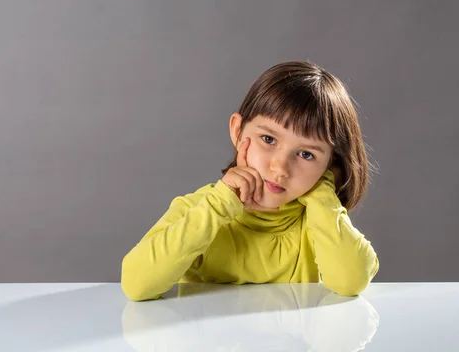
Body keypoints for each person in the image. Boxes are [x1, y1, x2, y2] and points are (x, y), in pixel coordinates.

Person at [121, 60, 379, 302]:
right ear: (237, 130)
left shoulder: (320, 222)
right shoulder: (202, 209)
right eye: (268, 139)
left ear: (329, 167)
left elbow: (351, 281)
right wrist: (218, 206)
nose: (279, 167)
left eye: (306, 154)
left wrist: (323, 194)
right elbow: (136, 283)